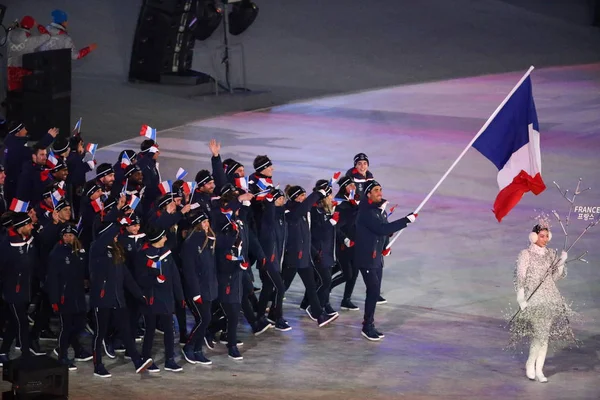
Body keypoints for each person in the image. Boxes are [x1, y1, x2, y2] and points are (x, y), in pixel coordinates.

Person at [88, 197, 152, 377]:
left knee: (126, 331)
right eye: (115, 234)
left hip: (117, 299)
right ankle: (98, 364)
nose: (117, 236)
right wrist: (121, 216)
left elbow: (127, 277)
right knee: (100, 333)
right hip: (101, 299)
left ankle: (137, 361)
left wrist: (140, 295)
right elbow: (109, 233)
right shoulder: (96, 248)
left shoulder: (116, 251)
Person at [511, 223, 575, 383]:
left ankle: (538, 369)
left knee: (544, 336)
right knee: (540, 333)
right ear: (533, 237)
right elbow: (520, 277)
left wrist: (561, 262)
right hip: (534, 298)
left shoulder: (551, 253)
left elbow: (555, 277)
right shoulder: (525, 254)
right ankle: (530, 364)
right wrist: (521, 298)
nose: (545, 239)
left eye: (547, 236)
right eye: (541, 236)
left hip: (550, 298)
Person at [354, 181, 416, 341]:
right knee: (373, 290)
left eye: (380, 189)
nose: (380, 192)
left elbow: (384, 232)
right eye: (376, 190)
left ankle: (369, 323)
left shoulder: (378, 210)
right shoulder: (366, 212)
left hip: (377, 257)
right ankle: (367, 326)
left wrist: (385, 246)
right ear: (368, 194)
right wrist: (405, 221)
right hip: (366, 258)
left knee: (374, 291)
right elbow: (382, 229)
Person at [135, 226, 185, 373]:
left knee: (169, 329)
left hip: (166, 298)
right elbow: (140, 278)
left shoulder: (167, 253)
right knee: (150, 330)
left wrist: (180, 296)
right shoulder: (143, 255)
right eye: (163, 237)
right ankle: (146, 358)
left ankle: (170, 359)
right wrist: (155, 279)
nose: (166, 239)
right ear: (157, 239)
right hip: (151, 298)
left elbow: (175, 276)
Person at [46, 224, 93, 370]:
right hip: (64, 296)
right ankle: (62, 356)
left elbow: (84, 269)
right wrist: (54, 299)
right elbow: (52, 278)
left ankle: (72, 349)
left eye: (71, 235)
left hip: (78, 295)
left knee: (78, 325)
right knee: (66, 327)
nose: (68, 238)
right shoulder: (57, 253)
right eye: (65, 235)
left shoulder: (80, 251)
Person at [180, 211, 218, 364]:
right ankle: (189, 347)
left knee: (204, 320)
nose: (207, 225)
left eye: (207, 221)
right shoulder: (190, 243)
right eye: (203, 222)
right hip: (196, 290)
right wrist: (195, 293)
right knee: (204, 318)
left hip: (208, 287)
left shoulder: (209, 240)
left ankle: (197, 349)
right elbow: (190, 271)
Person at [330, 176, 360, 311]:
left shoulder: (353, 201)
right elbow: (336, 226)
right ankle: (325, 288)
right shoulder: (340, 204)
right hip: (344, 243)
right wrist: (344, 239)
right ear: (344, 188)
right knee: (347, 273)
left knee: (354, 272)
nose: (353, 188)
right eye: (350, 186)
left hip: (356, 242)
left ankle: (346, 299)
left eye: (353, 185)